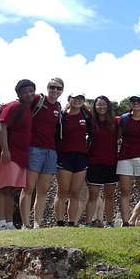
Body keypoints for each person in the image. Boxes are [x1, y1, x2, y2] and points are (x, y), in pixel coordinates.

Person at [20, 77, 64, 229]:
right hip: (34, 148)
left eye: (58, 88)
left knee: (43, 190)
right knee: (28, 188)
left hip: (50, 151)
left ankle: (37, 223)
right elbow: (20, 104)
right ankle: (26, 224)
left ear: (62, 91)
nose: (55, 90)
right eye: (52, 87)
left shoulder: (58, 107)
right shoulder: (38, 99)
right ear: (47, 87)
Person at [0, 79, 35, 230]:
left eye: (31, 91)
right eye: (25, 92)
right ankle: (1, 223)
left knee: (11, 190)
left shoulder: (27, 108)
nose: (29, 94)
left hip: (20, 156)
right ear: (19, 94)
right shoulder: (13, 107)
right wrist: (5, 150)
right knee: (2, 188)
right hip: (7, 153)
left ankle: (9, 223)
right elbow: (1, 126)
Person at [54, 91, 90, 226]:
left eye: (80, 98)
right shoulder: (62, 115)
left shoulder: (86, 115)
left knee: (75, 192)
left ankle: (71, 222)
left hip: (81, 156)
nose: (77, 101)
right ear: (69, 99)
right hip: (64, 155)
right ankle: (59, 222)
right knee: (62, 191)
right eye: (75, 98)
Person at [117, 94, 140, 227]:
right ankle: (126, 222)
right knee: (125, 191)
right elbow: (117, 137)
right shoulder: (124, 119)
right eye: (133, 101)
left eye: (138, 101)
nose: (136, 103)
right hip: (125, 158)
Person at [85, 95, 119, 228]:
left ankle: (109, 222)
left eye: (104, 104)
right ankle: (88, 222)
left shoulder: (115, 122)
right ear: (94, 107)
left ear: (108, 106)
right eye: (98, 105)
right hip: (94, 162)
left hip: (111, 162)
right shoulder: (91, 122)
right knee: (93, 195)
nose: (101, 107)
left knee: (109, 195)